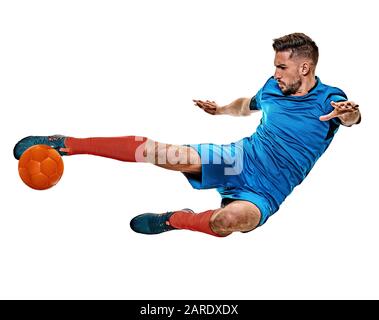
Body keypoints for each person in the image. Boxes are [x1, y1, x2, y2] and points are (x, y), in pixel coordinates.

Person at [14, 33, 361, 238]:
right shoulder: (273, 88)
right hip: (236, 160)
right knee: (158, 153)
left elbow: (350, 118)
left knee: (227, 222)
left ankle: (173, 219)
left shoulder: (330, 99)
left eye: (281, 67)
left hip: (267, 190)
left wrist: (350, 114)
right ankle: (67, 144)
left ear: (305, 67)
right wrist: (221, 109)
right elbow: (248, 105)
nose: (275, 73)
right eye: (274, 66)